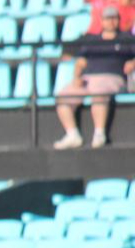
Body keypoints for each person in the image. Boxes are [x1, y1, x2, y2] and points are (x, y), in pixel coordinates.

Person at [54, 6, 135, 149]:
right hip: (88, 78)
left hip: (111, 77)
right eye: (108, 19)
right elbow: (76, 57)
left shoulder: (127, 39)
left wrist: (132, 62)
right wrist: (76, 76)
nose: (111, 22)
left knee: (98, 92)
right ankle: (72, 133)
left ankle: (99, 133)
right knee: (63, 97)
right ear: (102, 21)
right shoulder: (91, 40)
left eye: (114, 18)